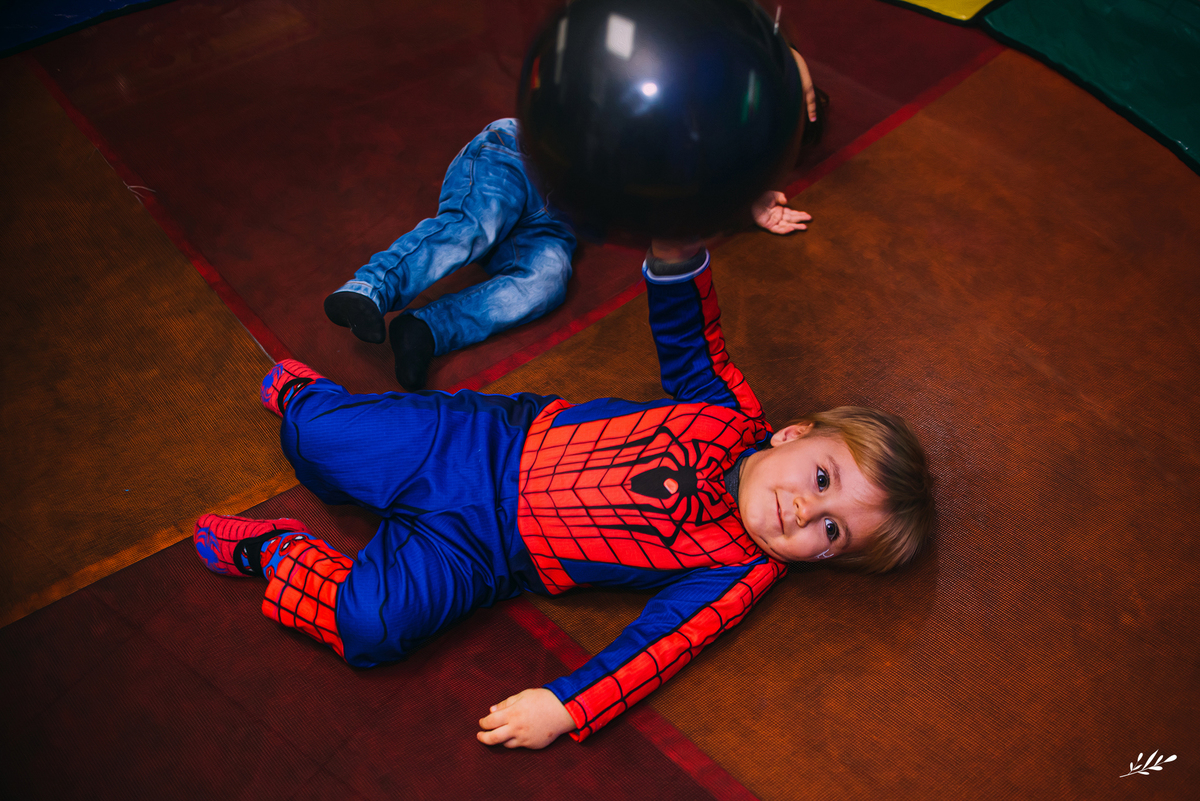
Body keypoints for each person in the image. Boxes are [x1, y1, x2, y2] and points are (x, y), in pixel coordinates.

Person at [194, 243, 933, 749]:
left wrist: (566, 705)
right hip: (482, 441)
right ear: (792, 434)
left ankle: (277, 552)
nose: (806, 512)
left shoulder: (736, 572)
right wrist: (677, 255)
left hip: (482, 553)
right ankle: (308, 403)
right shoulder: (728, 411)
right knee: (312, 438)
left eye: (832, 533)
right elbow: (690, 333)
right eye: (823, 479)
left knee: (370, 627)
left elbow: (657, 648)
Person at [323, 51, 826, 391]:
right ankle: (369, 289)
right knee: (474, 226)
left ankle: (427, 331)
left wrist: (750, 201)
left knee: (547, 281)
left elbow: (695, 189)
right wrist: (794, 76)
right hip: (515, 156)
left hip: (557, 220)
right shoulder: (684, 90)